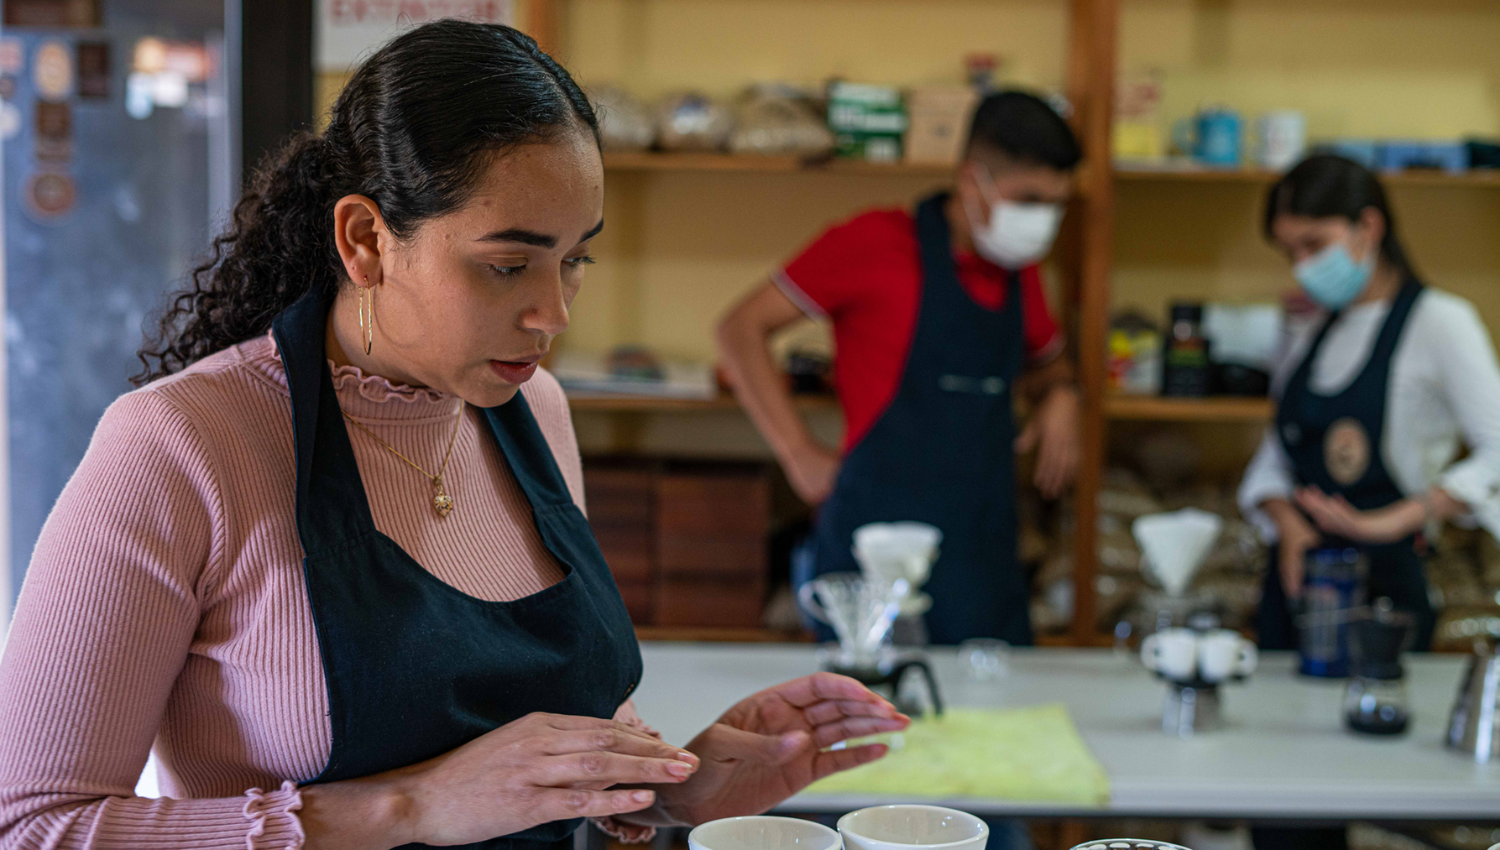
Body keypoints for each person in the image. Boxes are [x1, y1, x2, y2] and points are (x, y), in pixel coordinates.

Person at [0, 22, 909, 849]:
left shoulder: (536, 411)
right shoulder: (181, 447)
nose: (552, 313)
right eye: (507, 265)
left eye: (574, 259)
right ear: (364, 241)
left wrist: (666, 789)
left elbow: (544, 765)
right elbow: (35, 826)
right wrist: (410, 806)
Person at [718, 91, 1082, 647]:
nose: (1042, 221)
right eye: (1028, 199)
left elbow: (1048, 366)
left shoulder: (1021, 273)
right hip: (873, 548)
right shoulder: (871, 244)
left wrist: (1062, 398)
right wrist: (797, 452)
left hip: (982, 554)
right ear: (972, 180)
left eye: (1055, 205)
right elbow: (739, 329)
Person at [1239, 154, 1500, 849]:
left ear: (1368, 227)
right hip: (1294, 594)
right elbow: (1273, 456)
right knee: (1281, 798)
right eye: (1290, 250)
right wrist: (1288, 523)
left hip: (1383, 597)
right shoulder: (1308, 328)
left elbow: (1498, 448)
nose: (1301, 266)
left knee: (1370, 787)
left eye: (1314, 245)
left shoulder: (1441, 322)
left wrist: (1404, 515)